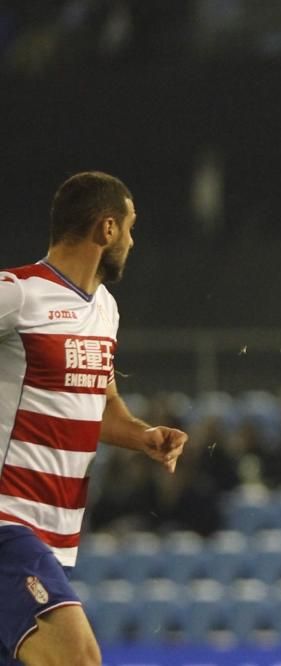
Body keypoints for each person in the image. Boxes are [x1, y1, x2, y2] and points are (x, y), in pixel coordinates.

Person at [0, 172, 188, 666]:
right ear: (106, 229)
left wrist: (144, 435)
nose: (131, 239)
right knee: (79, 659)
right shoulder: (19, 293)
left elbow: (100, 407)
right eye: (129, 227)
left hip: (56, 533)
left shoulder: (105, 309)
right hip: (7, 521)